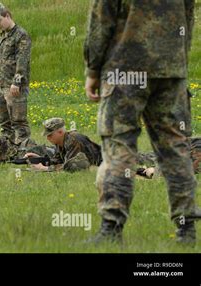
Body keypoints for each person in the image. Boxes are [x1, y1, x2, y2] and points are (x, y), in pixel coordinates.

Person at [84, 0, 198, 244]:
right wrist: (179, 60)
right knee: (175, 147)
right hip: (170, 69)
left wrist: (92, 70)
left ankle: (111, 228)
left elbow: (101, 19)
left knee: (119, 144)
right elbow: (188, 15)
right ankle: (186, 230)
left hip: (125, 67)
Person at [0, 3, 31, 145]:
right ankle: (8, 148)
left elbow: (22, 61)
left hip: (14, 86)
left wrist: (16, 82)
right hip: (2, 85)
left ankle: (24, 150)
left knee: (18, 121)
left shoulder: (21, 35)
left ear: (7, 16)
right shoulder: (2, 35)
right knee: (3, 121)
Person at [25, 118, 102, 172]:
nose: (48, 138)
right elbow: (57, 161)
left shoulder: (73, 139)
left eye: (50, 135)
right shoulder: (60, 142)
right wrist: (38, 158)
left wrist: (44, 169)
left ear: (60, 132)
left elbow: (72, 167)